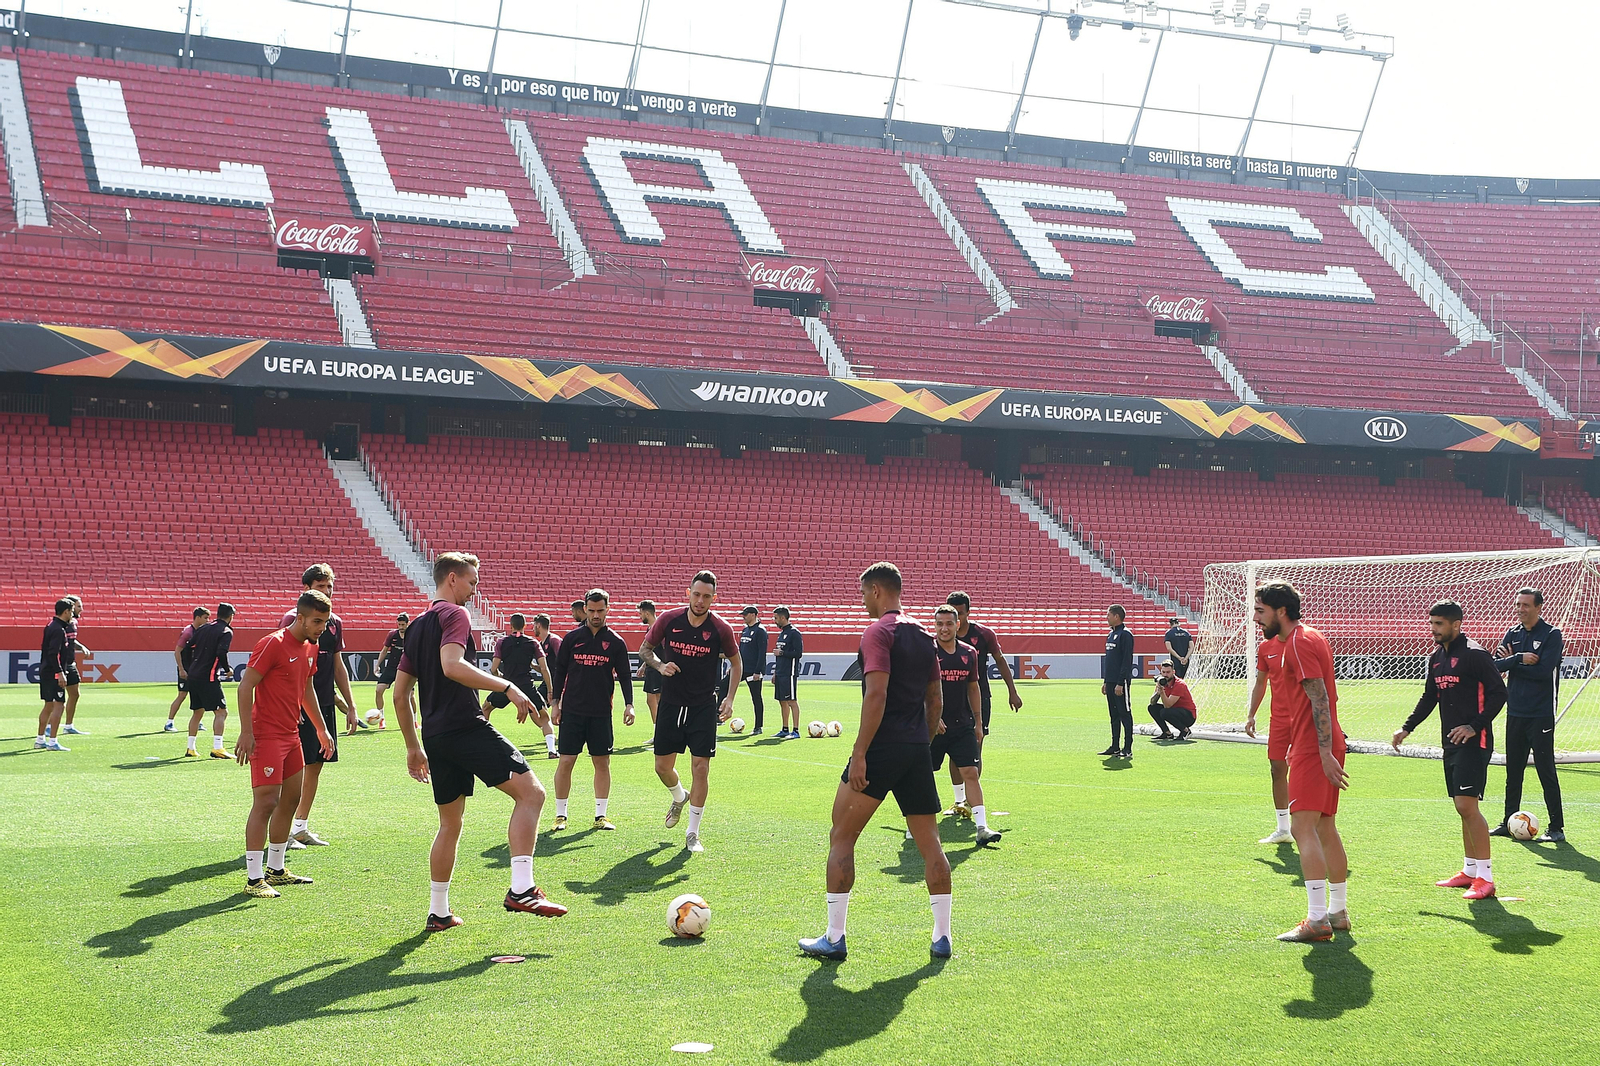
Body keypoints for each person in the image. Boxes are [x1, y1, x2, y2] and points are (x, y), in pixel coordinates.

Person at [391, 552, 566, 931]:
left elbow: (399, 694)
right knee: (532, 794)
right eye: (472, 582)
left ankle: (439, 912)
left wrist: (413, 745)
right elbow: (452, 666)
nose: (475, 590)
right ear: (452, 579)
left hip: (436, 736)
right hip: (463, 727)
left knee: (449, 824)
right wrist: (507, 686)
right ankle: (522, 889)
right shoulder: (454, 615)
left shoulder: (418, 625)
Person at [800, 562, 951, 962]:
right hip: (916, 748)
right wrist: (923, 738)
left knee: (842, 836)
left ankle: (834, 938)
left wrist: (861, 752)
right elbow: (935, 699)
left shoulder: (877, 631)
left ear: (878, 591)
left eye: (863, 592)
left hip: (882, 748)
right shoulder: (924, 634)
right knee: (931, 845)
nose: (862, 599)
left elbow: (877, 695)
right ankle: (942, 936)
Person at [1250, 582, 1350, 942]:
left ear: (1280, 611)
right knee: (1325, 827)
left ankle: (1317, 919)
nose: (1257, 618)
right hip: (1319, 743)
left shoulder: (1298, 642)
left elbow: (1319, 697)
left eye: (1261, 611)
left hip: (1314, 746)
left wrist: (1322, 753)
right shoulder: (1311, 637)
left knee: (1302, 828)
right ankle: (1338, 912)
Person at [1393, 600, 1507, 901]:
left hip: (1474, 742)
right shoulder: (1437, 657)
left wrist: (1475, 725)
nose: (1433, 629)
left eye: (1439, 624)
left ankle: (1486, 878)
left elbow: (1499, 693)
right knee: (1462, 808)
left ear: (1456, 624)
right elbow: (1430, 696)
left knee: (1468, 807)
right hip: (1451, 742)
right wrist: (1407, 728)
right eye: (1431, 623)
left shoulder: (1475, 655)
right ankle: (1470, 871)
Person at [235, 590, 334, 898]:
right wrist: (246, 732)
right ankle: (253, 880)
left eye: (325, 622)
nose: (321, 628)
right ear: (300, 617)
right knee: (266, 802)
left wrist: (321, 729)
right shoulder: (272, 644)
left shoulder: (311, 647)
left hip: (292, 735)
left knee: (290, 800)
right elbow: (245, 686)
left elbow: (306, 689)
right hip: (266, 736)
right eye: (317, 621)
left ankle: (275, 870)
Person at [640, 571, 740, 854]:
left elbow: (736, 663)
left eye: (706, 596)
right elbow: (645, 649)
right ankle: (678, 796)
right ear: (688, 593)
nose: (700, 600)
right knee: (662, 766)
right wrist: (660, 666)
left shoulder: (721, 628)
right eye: (696, 594)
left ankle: (693, 833)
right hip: (671, 704)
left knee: (701, 768)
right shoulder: (669, 619)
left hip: (703, 707)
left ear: (714, 598)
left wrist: (730, 698)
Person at [280, 564, 359, 848]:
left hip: (323, 700)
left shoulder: (334, 622)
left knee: (316, 765)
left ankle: (300, 827)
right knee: (294, 769)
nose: (327, 591)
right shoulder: (292, 619)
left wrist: (350, 704)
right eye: (321, 586)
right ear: (306, 588)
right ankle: (283, 831)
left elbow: (338, 665)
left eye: (330, 587)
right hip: (298, 706)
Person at [549, 590, 635, 831]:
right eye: (591, 610)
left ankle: (601, 816)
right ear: (584, 609)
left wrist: (630, 704)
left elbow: (625, 677)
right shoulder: (572, 638)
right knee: (566, 761)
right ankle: (560, 815)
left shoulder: (616, 642)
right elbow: (560, 672)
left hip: (600, 713)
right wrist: (556, 703)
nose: (596, 615)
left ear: (608, 609)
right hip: (573, 711)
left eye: (600, 610)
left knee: (602, 762)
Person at [1491, 587, 1566, 842]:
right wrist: (1518, 659)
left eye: (1526, 605)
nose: (1521, 609)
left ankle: (1556, 828)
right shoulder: (1513, 633)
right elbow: (1494, 665)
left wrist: (1512, 662)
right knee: (1513, 770)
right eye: (1518, 604)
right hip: (1516, 712)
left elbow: (1543, 671)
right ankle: (1508, 820)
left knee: (1546, 769)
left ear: (1538, 608)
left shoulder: (1552, 635)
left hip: (1541, 713)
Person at [945, 592, 1023, 810]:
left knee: (974, 749)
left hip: (978, 699)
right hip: (949, 701)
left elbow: (1000, 660)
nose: (956, 618)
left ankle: (972, 801)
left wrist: (1012, 691)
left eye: (960, 613)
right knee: (953, 750)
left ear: (968, 612)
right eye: (953, 613)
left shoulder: (984, 634)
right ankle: (959, 800)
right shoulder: (942, 635)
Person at [931, 604, 999, 846]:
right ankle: (916, 824)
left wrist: (978, 722)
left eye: (949, 623)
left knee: (970, 772)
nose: (944, 628)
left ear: (958, 624)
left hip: (961, 725)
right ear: (935, 625)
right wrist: (931, 716)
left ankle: (982, 827)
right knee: (921, 775)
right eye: (940, 624)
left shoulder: (969, 652)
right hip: (931, 726)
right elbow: (917, 688)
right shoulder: (927, 651)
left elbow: (973, 687)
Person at [487, 614, 558, 759]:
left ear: (511, 625)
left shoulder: (502, 642)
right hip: (526, 686)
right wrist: (550, 690)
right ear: (525, 626)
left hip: (508, 686)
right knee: (544, 717)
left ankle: (484, 744)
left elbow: (493, 668)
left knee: (486, 708)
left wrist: (500, 678)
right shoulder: (533, 643)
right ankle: (552, 751)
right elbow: (544, 669)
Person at [185, 603, 235, 759]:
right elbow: (221, 651)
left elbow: (187, 648)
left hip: (193, 676)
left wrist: (189, 668)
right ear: (230, 616)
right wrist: (227, 669)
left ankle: (190, 748)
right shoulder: (226, 631)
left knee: (197, 712)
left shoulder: (203, 628)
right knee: (221, 712)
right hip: (209, 676)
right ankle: (217, 748)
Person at [35, 598, 74, 751]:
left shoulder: (51, 625)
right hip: (53, 673)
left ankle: (39, 740)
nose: (72, 614)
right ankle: (52, 742)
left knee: (48, 705)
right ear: (66, 612)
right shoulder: (58, 630)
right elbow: (53, 654)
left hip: (46, 671)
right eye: (71, 611)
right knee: (59, 705)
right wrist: (60, 673)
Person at [1100, 605, 1135, 759]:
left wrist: (1121, 682)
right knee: (1113, 714)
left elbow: (1126, 662)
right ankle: (1115, 746)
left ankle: (1127, 747)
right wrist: (1106, 682)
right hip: (1111, 682)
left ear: (1116, 616)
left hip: (1121, 683)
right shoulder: (1110, 634)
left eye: (1108, 615)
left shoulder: (1126, 635)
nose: (1106, 618)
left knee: (1124, 713)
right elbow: (1110, 662)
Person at [166, 607, 208, 731]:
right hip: (186, 670)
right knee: (182, 695)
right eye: (205, 618)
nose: (207, 620)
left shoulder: (200, 631)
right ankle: (169, 722)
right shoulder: (188, 632)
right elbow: (177, 651)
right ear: (198, 617)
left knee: (199, 695)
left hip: (196, 671)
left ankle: (198, 721)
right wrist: (181, 669)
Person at [59, 595, 90, 735]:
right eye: (78, 606)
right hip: (61, 664)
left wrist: (81, 647)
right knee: (56, 698)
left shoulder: (73, 623)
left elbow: (71, 641)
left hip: (70, 663)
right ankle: (48, 727)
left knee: (75, 694)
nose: (81, 609)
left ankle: (68, 726)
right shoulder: (61, 625)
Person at [772, 607, 804, 738]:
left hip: (789, 673)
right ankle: (785, 729)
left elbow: (798, 653)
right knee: (782, 701)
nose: (774, 621)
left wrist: (782, 653)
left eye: (776, 618)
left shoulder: (794, 633)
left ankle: (795, 730)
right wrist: (775, 672)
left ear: (783, 618)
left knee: (791, 701)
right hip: (780, 672)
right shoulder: (782, 633)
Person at [737, 606, 769, 735]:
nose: (743, 617)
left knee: (756, 698)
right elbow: (740, 651)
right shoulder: (745, 630)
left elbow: (762, 653)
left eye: (745, 614)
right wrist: (734, 666)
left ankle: (758, 726)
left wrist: (758, 671)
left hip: (753, 671)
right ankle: (718, 717)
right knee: (723, 686)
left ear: (753, 615)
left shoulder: (760, 631)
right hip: (741, 668)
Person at [1148, 659, 1197, 740]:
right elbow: (1152, 702)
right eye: (1163, 672)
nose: (1165, 675)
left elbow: (1168, 705)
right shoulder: (1161, 681)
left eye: (1168, 672)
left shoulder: (1179, 684)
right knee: (1152, 707)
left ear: (1173, 672)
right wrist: (1158, 692)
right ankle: (1167, 733)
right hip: (1174, 710)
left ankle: (1185, 730)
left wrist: (1162, 692)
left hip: (1188, 715)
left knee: (1164, 712)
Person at [637, 600, 663, 747]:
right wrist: (643, 666)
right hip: (651, 669)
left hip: (658, 670)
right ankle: (657, 732)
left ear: (647, 613)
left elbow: (660, 651)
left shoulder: (659, 628)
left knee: (660, 701)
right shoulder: (650, 629)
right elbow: (650, 651)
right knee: (651, 701)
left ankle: (661, 733)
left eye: (641, 613)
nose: (640, 616)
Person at [373, 613, 410, 715]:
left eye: (403, 625)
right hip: (391, 667)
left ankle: (415, 720)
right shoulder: (392, 634)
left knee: (410, 695)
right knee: (378, 690)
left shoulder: (411, 635)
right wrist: (377, 665)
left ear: (408, 624)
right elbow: (384, 650)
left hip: (405, 668)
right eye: (399, 625)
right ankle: (381, 717)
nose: (401, 627)